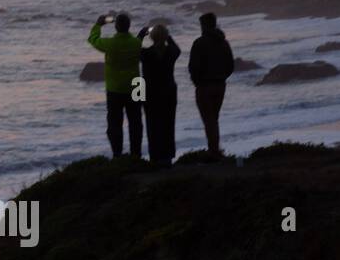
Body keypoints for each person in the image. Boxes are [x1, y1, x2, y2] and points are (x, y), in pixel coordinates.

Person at [88, 12, 144, 157]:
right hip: (137, 86)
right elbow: (139, 42)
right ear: (129, 26)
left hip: (115, 87)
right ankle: (136, 154)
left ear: (116, 27)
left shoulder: (110, 44)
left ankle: (117, 154)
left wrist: (98, 25)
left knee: (114, 123)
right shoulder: (136, 43)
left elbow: (93, 39)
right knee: (136, 122)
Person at [188, 12, 235, 155]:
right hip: (220, 85)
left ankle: (214, 152)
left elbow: (193, 67)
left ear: (204, 25)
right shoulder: (223, 42)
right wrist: (222, 77)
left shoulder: (199, 43)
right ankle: (215, 149)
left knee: (209, 120)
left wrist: (197, 82)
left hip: (204, 86)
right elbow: (230, 65)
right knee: (213, 118)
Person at [137, 23, 181, 165]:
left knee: (152, 125)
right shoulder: (171, 52)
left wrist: (141, 34)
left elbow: (134, 49)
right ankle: (167, 157)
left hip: (150, 92)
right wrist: (168, 37)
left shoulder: (146, 53)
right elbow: (177, 49)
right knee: (168, 124)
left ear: (152, 37)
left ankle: (155, 157)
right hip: (168, 91)